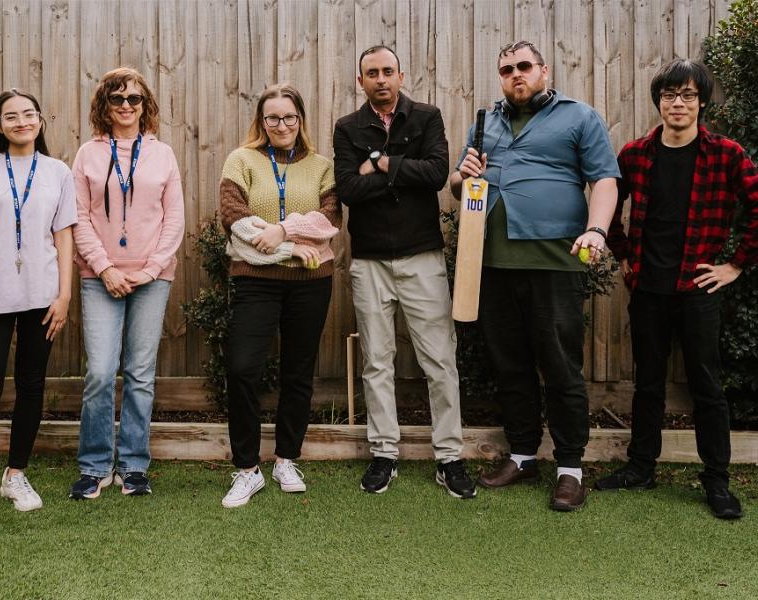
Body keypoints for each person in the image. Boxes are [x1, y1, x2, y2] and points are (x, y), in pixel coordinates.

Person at [449, 41, 620, 511]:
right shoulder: (486, 122)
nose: (515, 74)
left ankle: (570, 469)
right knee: (510, 365)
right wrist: (461, 177)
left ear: (544, 70)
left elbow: (604, 178)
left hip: (555, 261)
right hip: (492, 265)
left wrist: (597, 230)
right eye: (506, 69)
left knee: (561, 367)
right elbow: (461, 186)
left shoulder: (579, 117)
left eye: (524, 66)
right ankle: (523, 456)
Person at [596, 59, 757, 519]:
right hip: (647, 287)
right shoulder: (635, 155)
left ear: (702, 102)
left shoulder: (726, 154)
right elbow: (606, 207)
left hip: (698, 291)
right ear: (659, 102)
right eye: (669, 95)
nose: (678, 103)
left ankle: (716, 481)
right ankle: (641, 467)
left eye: (688, 95)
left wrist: (735, 266)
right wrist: (625, 255)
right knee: (647, 384)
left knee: (706, 386)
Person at [334, 45, 476, 499]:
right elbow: (349, 188)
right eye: (371, 73)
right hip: (369, 260)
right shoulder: (347, 128)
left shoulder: (427, 117)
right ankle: (384, 453)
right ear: (361, 81)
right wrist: (399, 172)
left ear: (400, 74)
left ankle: (450, 457)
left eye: (387, 71)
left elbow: (436, 174)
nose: (380, 79)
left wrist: (380, 162)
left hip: (422, 257)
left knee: (439, 360)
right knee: (377, 361)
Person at [0, 89, 76, 543]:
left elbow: (64, 236)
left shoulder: (57, 172)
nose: (22, 121)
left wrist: (64, 294)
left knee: (31, 386)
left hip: (42, 296)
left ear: (41, 121)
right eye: (12, 116)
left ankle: (15, 475)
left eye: (29, 113)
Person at [219, 83, 341, 508]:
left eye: (289, 117)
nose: (282, 125)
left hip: (311, 283)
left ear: (300, 120)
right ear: (261, 122)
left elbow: (328, 221)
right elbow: (233, 218)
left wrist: (282, 230)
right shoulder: (242, 160)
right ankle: (247, 469)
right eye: (273, 118)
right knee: (242, 368)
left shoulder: (323, 166)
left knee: (298, 372)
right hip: (255, 280)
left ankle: (286, 458)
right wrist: (290, 248)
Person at [69, 67, 184, 500]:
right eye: (116, 99)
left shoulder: (163, 155)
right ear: (105, 105)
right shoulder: (87, 154)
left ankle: (134, 466)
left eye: (133, 99)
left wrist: (150, 269)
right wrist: (105, 269)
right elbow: (78, 217)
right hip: (100, 277)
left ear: (144, 105)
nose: (125, 106)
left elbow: (174, 218)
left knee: (140, 373)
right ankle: (95, 466)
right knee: (99, 372)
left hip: (152, 278)